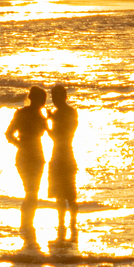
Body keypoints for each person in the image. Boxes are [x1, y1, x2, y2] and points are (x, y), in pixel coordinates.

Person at [5, 84, 48, 247]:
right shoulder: (37, 116)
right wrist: (22, 145)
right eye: (42, 99)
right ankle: (26, 225)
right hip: (32, 155)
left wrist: (20, 144)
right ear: (35, 99)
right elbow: (9, 134)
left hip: (30, 155)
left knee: (31, 192)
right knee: (32, 192)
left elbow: (9, 135)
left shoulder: (30, 114)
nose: (43, 102)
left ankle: (27, 225)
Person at [47, 82, 79, 247]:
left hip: (60, 154)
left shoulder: (60, 114)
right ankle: (71, 224)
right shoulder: (71, 112)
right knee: (68, 194)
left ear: (63, 97)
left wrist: (47, 126)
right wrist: (52, 118)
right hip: (67, 153)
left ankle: (64, 224)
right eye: (52, 97)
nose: (53, 100)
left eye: (55, 97)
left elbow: (57, 137)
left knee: (62, 194)